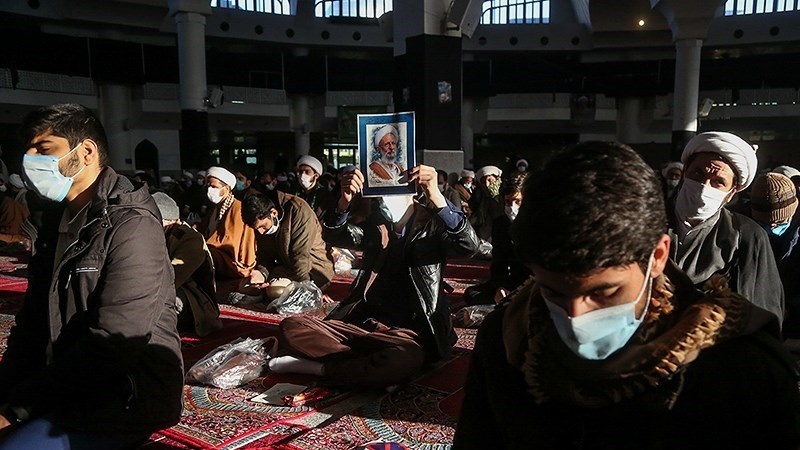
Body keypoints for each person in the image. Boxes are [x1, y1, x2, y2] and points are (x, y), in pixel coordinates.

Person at [454, 141, 800, 450]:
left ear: (658, 257)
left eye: (604, 292)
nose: (576, 319)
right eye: (554, 292)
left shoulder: (741, 368)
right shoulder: (506, 340)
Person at [0, 103, 183, 448]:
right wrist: (8, 390)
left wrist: (18, 408)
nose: (30, 161)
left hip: (122, 395)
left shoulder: (131, 224)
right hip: (60, 383)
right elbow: (33, 323)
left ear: (86, 151)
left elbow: (114, 341)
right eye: (28, 151)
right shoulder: (54, 221)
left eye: (44, 149)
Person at [268, 164, 480, 388]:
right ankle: (366, 365)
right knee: (291, 326)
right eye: (381, 194)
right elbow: (335, 235)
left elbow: (469, 246)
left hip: (407, 332)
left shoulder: (432, 225)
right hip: (363, 323)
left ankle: (320, 368)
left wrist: (436, 196)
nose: (386, 200)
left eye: (393, 192)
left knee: (405, 358)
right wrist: (344, 202)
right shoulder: (377, 226)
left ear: (412, 191)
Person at [669, 131, 784, 327]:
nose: (704, 187)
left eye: (718, 182)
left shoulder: (746, 236)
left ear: (732, 192)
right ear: (685, 171)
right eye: (698, 174)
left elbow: (760, 313)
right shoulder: (646, 220)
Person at [233, 192, 334, 304]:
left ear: (273, 213)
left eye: (262, 227)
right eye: (257, 229)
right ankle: (265, 295)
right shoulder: (261, 221)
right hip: (286, 268)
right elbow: (265, 256)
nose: (260, 232)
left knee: (275, 290)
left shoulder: (298, 210)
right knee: (245, 286)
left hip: (312, 269)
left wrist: (307, 290)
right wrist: (261, 273)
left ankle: (265, 296)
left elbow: (300, 256)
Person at [153, 192, 222, 337]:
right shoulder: (161, 234)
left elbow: (172, 279)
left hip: (194, 300)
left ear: (167, 221)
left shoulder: (190, 239)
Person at [464, 172, 531, 305]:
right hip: (515, 281)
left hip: (537, 282)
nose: (512, 207)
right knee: (472, 294)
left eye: (517, 201)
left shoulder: (538, 223)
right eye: (508, 202)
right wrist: (500, 286)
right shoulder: (500, 224)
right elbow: (499, 262)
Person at [749, 172, 800, 337]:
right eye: (764, 222)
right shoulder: (742, 228)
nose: (771, 226)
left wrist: (789, 308)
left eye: (779, 222)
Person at [200, 166, 257, 279]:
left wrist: (205, 245)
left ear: (226, 188)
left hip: (230, 261)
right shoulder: (214, 208)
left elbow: (230, 242)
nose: (209, 190)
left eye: (214, 187)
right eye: (208, 186)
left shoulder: (238, 209)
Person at [469, 165, 504, 241]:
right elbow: (473, 206)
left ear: (497, 178)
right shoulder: (479, 192)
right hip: (484, 226)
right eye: (483, 181)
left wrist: (494, 196)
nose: (487, 184)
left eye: (489, 180)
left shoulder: (504, 191)